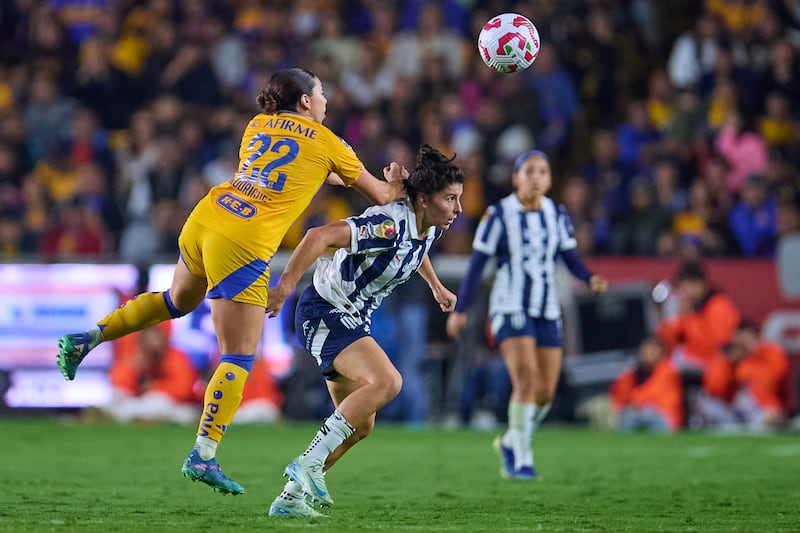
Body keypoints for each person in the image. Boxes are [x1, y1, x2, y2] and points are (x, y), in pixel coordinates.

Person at [55, 67, 406, 496]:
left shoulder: (257, 124)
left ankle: (88, 338)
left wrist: (334, 173)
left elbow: (299, 167)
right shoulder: (330, 142)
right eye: (322, 93)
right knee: (239, 355)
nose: (326, 101)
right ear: (305, 102)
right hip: (244, 240)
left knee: (175, 301)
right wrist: (395, 183)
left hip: (207, 215)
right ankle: (203, 454)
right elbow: (383, 198)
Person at [263, 145, 463, 518]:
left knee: (360, 424)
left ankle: (289, 498)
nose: (458, 209)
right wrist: (284, 287)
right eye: (450, 199)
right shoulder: (387, 225)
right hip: (325, 310)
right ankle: (307, 462)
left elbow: (415, 252)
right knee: (388, 382)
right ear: (423, 199)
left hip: (350, 317)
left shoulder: (428, 226)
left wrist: (436, 286)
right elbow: (316, 237)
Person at [446, 150, 608, 480]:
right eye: (529, 171)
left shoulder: (556, 213)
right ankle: (522, 458)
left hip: (546, 309)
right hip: (509, 306)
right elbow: (478, 264)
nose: (536, 177)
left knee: (546, 391)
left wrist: (588, 277)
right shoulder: (498, 214)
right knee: (527, 380)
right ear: (516, 178)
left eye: (543, 171)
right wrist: (460, 310)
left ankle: (510, 439)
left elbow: (569, 255)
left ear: (549, 180)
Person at [699, 320, 789, 431]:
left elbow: (774, 377)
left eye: (745, 339)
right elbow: (714, 387)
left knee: (770, 416)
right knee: (708, 406)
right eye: (738, 340)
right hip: (733, 409)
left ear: (755, 337)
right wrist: (727, 364)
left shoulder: (769, 352)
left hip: (760, 408)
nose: (742, 344)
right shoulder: (727, 359)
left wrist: (752, 357)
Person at [656, 260, 741, 373]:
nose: (685, 293)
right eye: (682, 288)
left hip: (715, 367)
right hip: (691, 363)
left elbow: (719, 346)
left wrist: (689, 317)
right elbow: (667, 343)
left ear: (701, 283)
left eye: (688, 287)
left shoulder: (720, 306)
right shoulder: (690, 310)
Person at [610, 336, 683, 432]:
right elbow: (619, 396)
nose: (647, 354)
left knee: (638, 414)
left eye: (652, 351)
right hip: (638, 413)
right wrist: (627, 374)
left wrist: (636, 403)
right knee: (627, 416)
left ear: (661, 353)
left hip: (664, 415)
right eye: (644, 351)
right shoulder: (634, 373)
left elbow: (652, 394)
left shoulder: (667, 369)